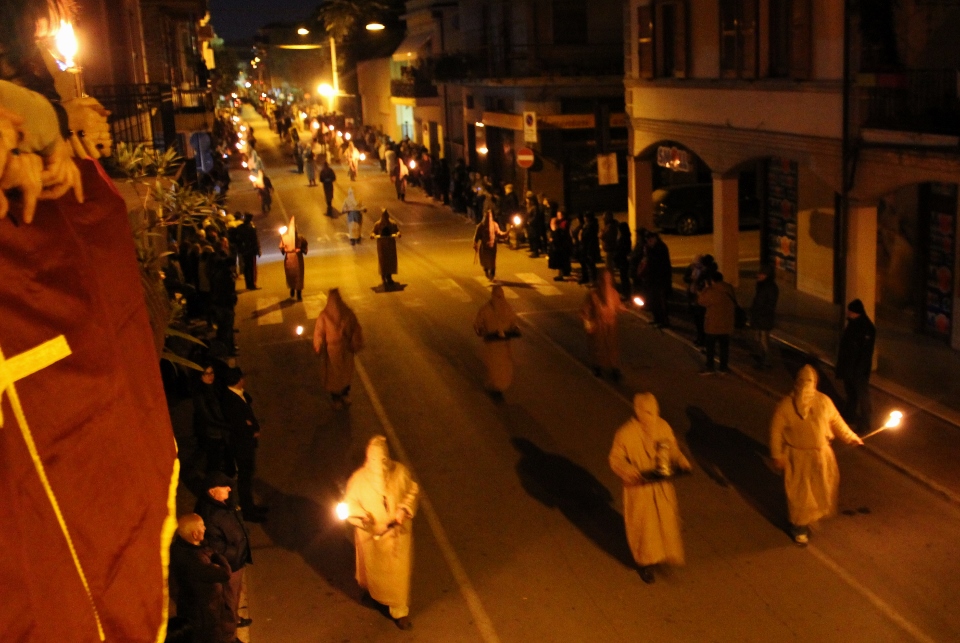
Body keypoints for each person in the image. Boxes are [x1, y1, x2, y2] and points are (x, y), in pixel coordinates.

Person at [770, 365, 864, 545]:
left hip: (821, 455)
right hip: (797, 457)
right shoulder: (785, 406)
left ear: (814, 383)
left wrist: (851, 437)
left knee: (819, 488)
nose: (806, 385)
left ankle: (810, 516)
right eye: (803, 381)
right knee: (801, 493)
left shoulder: (824, 402)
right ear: (797, 383)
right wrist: (777, 455)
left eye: (809, 381)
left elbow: (837, 422)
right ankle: (799, 527)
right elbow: (776, 431)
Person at [609, 393, 692, 584]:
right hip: (640, 488)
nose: (652, 416)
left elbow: (672, 447)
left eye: (654, 411)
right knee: (644, 528)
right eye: (647, 412)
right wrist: (628, 469)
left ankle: (662, 554)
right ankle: (645, 563)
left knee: (664, 522)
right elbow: (615, 458)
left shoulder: (662, 426)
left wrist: (680, 460)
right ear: (638, 411)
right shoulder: (626, 433)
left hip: (662, 485)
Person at [343, 436, 420, 630]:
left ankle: (400, 610)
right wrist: (362, 517)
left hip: (397, 539)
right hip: (372, 540)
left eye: (383, 460)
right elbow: (350, 505)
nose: (380, 465)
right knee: (374, 573)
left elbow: (412, 491)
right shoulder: (358, 480)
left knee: (398, 577)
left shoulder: (400, 473)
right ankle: (374, 593)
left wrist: (404, 509)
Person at [194, 473, 254, 632]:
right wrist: (235, 554)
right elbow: (216, 546)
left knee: (234, 594)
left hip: (237, 560)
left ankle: (234, 618)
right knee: (229, 597)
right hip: (231, 564)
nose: (229, 488)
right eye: (224, 486)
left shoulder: (221, 504)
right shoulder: (211, 514)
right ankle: (229, 629)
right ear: (212, 491)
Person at [169, 514, 234, 643]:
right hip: (206, 612)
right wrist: (218, 557)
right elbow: (225, 573)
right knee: (212, 636)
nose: (205, 528)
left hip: (199, 607)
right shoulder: (194, 560)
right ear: (194, 534)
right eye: (202, 526)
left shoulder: (181, 547)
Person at [220, 368, 266, 522]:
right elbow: (239, 426)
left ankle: (251, 507)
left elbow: (247, 410)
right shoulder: (231, 400)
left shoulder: (238, 394)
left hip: (245, 444)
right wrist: (252, 431)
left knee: (248, 476)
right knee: (245, 479)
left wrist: (249, 424)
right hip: (242, 446)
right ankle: (248, 512)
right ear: (239, 380)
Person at [313, 288, 364, 409]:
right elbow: (356, 329)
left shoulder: (327, 315)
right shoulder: (344, 313)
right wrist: (356, 342)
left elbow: (318, 332)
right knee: (338, 374)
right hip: (337, 350)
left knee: (340, 374)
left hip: (339, 350)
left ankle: (342, 395)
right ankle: (338, 396)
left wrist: (318, 345)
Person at [835, 299, 876, 434]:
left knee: (862, 396)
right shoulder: (853, 324)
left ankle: (865, 422)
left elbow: (865, 353)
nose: (847, 313)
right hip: (849, 367)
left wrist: (858, 370)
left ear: (856, 312)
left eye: (850, 311)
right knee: (851, 393)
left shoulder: (867, 328)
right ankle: (849, 415)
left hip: (858, 370)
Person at [473, 285, 521, 398]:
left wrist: (514, 329)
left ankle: (500, 387)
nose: (499, 300)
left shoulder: (507, 308)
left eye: (501, 296)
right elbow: (478, 325)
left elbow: (513, 322)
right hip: (492, 345)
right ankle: (495, 388)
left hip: (504, 345)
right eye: (497, 296)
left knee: (504, 368)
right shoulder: (485, 310)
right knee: (494, 368)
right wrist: (483, 331)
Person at [581, 269, 626, 380]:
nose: (606, 282)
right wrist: (588, 324)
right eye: (604, 279)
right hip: (598, 325)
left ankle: (614, 367)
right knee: (598, 346)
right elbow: (585, 311)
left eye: (608, 279)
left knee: (612, 346)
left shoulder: (613, 293)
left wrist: (623, 308)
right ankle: (597, 366)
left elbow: (617, 306)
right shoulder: (593, 295)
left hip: (611, 325)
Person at [193, 363, 230, 474]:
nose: (210, 376)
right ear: (201, 376)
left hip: (220, 431)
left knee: (221, 457)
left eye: (212, 373)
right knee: (213, 460)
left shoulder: (216, 388)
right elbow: (207, 418)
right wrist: (228, 425)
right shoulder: (200, 394)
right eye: (206, 374)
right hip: (210, 432)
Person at [697, 271, 736, 374]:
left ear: (711, 280)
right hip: (726, 323)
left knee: (710, 347)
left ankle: (710, 367)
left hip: (713, 324)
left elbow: (701, 301)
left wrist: (705, 288)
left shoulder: (711, 291)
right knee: (724, 347)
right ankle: (723, 367)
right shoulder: (729, 288)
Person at [638, 232, 672, 327]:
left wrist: (649, 251)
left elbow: (658, 263)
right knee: (653, 300)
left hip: (660, 279)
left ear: (655, 238)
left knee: (661, 301)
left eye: (650, 239)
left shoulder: (660, 248)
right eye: (647, 240)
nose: (649, 242)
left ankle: (664, 321)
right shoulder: (651, 248)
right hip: (652, 279)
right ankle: (657, 319)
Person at [749, 265, 779, 368]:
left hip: (764, 318)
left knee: (764, 340)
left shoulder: (770, 287)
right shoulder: (761, 285)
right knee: (758, 338)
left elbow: (770, 304)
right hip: (759, 316)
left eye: (762, 274)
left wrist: (761, 312)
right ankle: (761, 356)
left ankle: (766, 361)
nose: (759, 275)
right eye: (760, 273)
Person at [279, 218, 308, 301]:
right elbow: (282, 248)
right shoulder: (285, 238)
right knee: (290, 275)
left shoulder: (301, 238)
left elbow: (305, 246)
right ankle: (292, 288)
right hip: (289, 259)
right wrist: (283, 249)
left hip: (298, 259)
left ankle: (299, 293)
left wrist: (301, 250)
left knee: (299, 276)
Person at [474, 209, 506, 280]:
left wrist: (507, 233)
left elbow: (499, 233)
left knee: (492, 261)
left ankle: (492, 273)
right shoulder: (481, 226)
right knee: (485, 260)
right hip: (484, 247)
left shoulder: (494, 225)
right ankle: (486, 270)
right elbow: (476, 236)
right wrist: (475, 243)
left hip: (492, 247)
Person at [372, 209, 401, 287]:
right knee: (383, 261)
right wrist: (373, 235)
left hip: (391, 245)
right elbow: (373, 232)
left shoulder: (392, 224)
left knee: (390, 261)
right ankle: (383, 277)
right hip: (382, 245)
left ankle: (389, 276)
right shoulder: (378, 224)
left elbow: (397, 231)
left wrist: (398, 234)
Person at [235, 213, 261, 290]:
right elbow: (255, 240)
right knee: (252, 268)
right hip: (251, 251)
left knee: (246, 268)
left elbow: (238, 240)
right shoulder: (251, 228)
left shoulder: (240, 227)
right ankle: (252, 284)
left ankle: (248, 284)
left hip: (244, 251)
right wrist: (258, 250)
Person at [548, 207, 573, 281]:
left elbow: (558, 239)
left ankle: (562, 274)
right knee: (563, 261)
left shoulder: (560, 228)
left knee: (561, 262)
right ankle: (564, 273)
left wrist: (552, 240)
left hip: (560, 249)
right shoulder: (558, 230)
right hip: (561, 248)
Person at [578, 211, 601, 285]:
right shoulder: (588, 225)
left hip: (589, 248)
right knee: (586, 264)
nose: (584, 219)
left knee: (590, 265)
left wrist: (581, 234)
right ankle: (587, 278)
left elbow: (586, 236)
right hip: (586, 247)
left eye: (586, 217)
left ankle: (593, 280)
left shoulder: (591, 226)